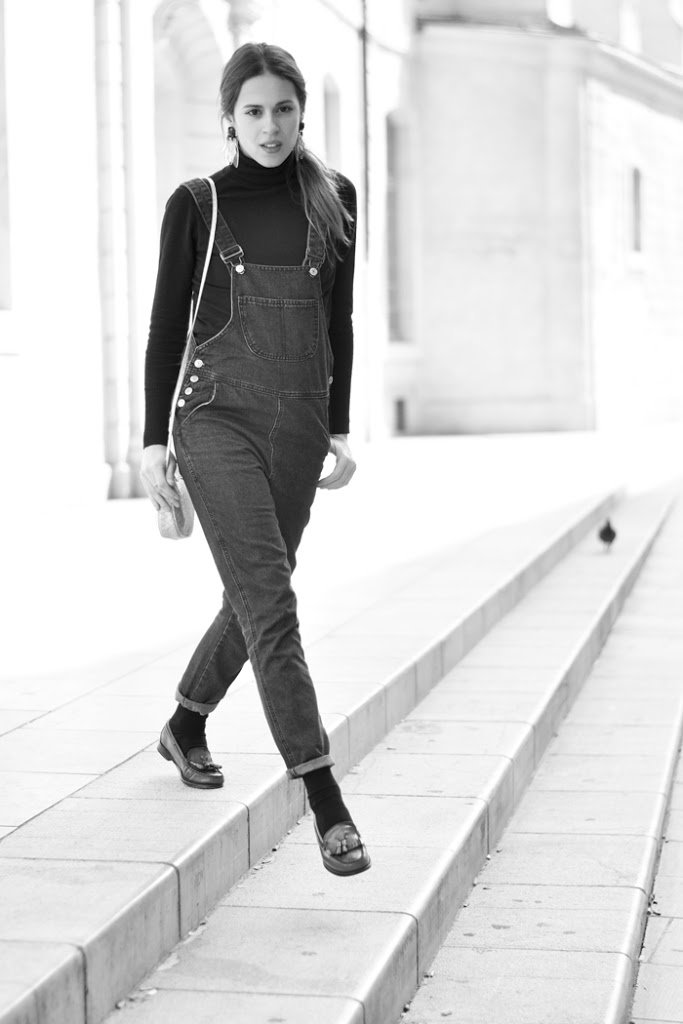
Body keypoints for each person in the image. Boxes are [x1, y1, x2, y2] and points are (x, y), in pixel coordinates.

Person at [140, 42, 370, 877]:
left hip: (300, 422)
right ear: (228, 118)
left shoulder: (335, 197)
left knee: (254, 592)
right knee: (271, 600)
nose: (268, 126)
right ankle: (324, 795)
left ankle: (186, 722)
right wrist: (153, 442)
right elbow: (166, 326)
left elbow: (338, 320)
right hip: (214, 417)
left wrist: (338, 427)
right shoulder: (196, 204)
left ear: (301, 112)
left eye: (282, 109)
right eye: (252, 111)